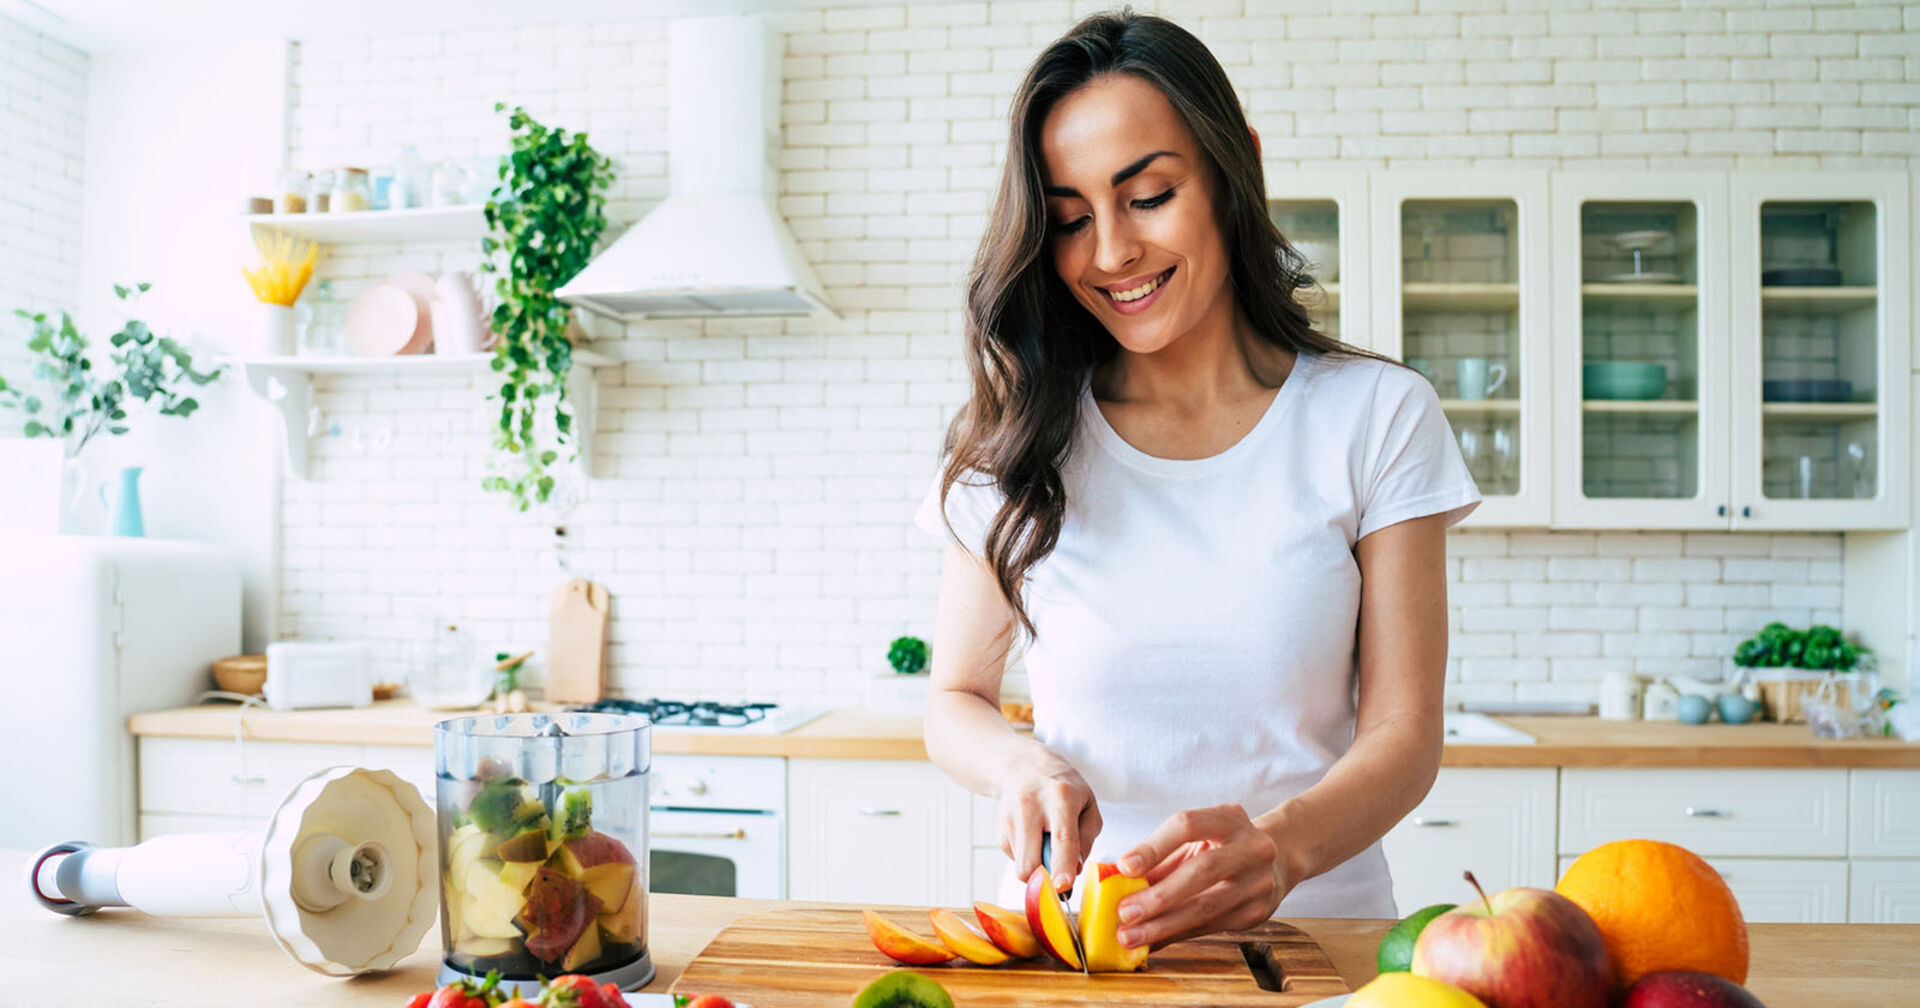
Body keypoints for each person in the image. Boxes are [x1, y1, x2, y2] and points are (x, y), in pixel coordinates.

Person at [913, 10, 1481, 951]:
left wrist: (1281, 851)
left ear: (1236, 168)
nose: (1109, 254)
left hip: (1314, 944)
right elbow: (954, 703)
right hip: (1081, 946)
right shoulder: (1017, 438)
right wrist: (1019, 766)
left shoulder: (1375, 416)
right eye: (1069, 219)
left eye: (1148, 196)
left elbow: (1404, 736)